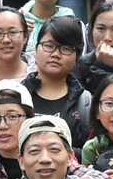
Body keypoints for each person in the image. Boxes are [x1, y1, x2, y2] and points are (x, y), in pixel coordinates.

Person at [27, 14, 92, 142]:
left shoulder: (85, 103)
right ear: (36, 48)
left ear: (77, 56)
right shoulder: (18, 92)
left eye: (66, 49)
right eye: (49, 46)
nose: (56, 54)